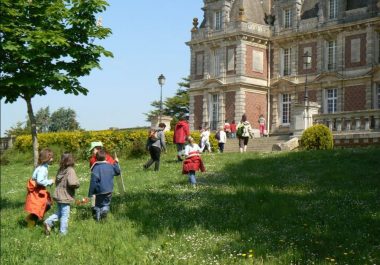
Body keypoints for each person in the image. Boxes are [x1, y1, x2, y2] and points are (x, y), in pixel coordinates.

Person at [44, 152, 80, 235]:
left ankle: (48, 221)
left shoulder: (60, 169)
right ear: (71, 160)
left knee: (59, 213)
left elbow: (56, 181)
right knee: (65, 215)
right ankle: (63, 233)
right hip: (65, 196)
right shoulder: (70, 170)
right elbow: (72, 183)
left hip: (58, 195)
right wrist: (78, 184)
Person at [24, 148, 54, 227]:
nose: (52, 159)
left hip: (38, 190)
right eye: (51, 158)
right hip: (37, 191)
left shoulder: (43, 167)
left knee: (45, 205)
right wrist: (50, 181)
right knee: (44, 205)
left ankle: (32, 219)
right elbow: (40, 181)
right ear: (47, 158)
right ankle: (31, 221)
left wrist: (47, 181)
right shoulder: (43, 169)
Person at [88, 149, 121, 221]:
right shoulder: (110, 166)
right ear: (105, 157)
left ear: (96, 158)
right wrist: (116, 162)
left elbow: (93, 182)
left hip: (98, 191)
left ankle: (97, 219)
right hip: (109, 190)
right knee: (106, 204)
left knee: (97, 205)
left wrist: (91, 193)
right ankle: (105, 210)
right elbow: (118, 172)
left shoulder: (95, 168)